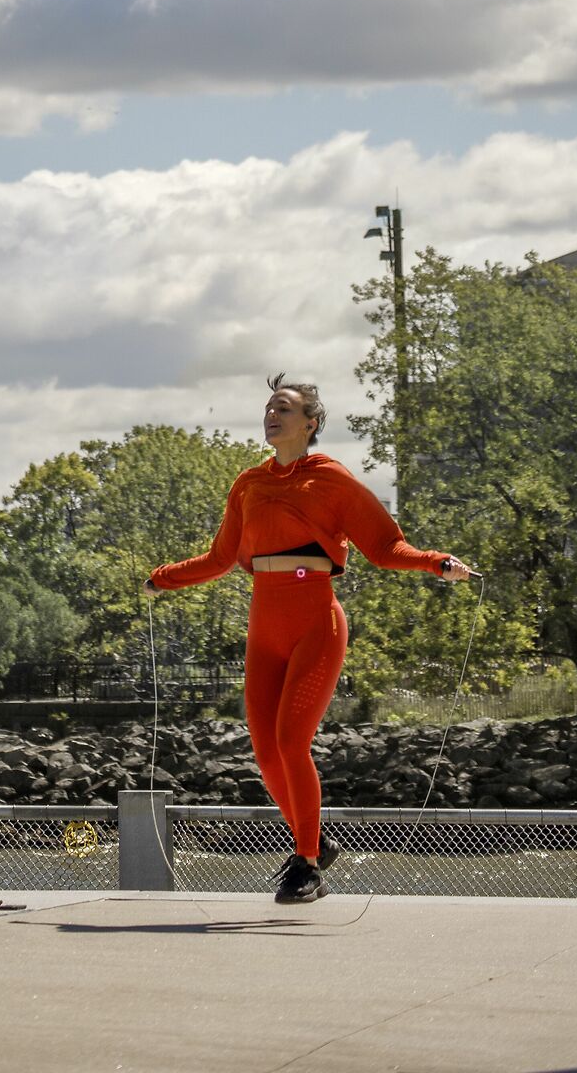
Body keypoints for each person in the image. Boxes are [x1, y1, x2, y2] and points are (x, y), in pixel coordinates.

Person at [148, 374, 474, 905]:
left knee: (293, 742)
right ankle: (317, 841)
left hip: (315, 620)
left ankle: (306, 864)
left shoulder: (330, 478)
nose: (272, 415)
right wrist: (163, 577)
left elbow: (387, 546)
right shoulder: (248, 483)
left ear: (310, 423)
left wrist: (438, 563)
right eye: (269, 407)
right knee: (267, 751)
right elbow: (220, 559)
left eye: (284, 407)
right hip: (265, 622)